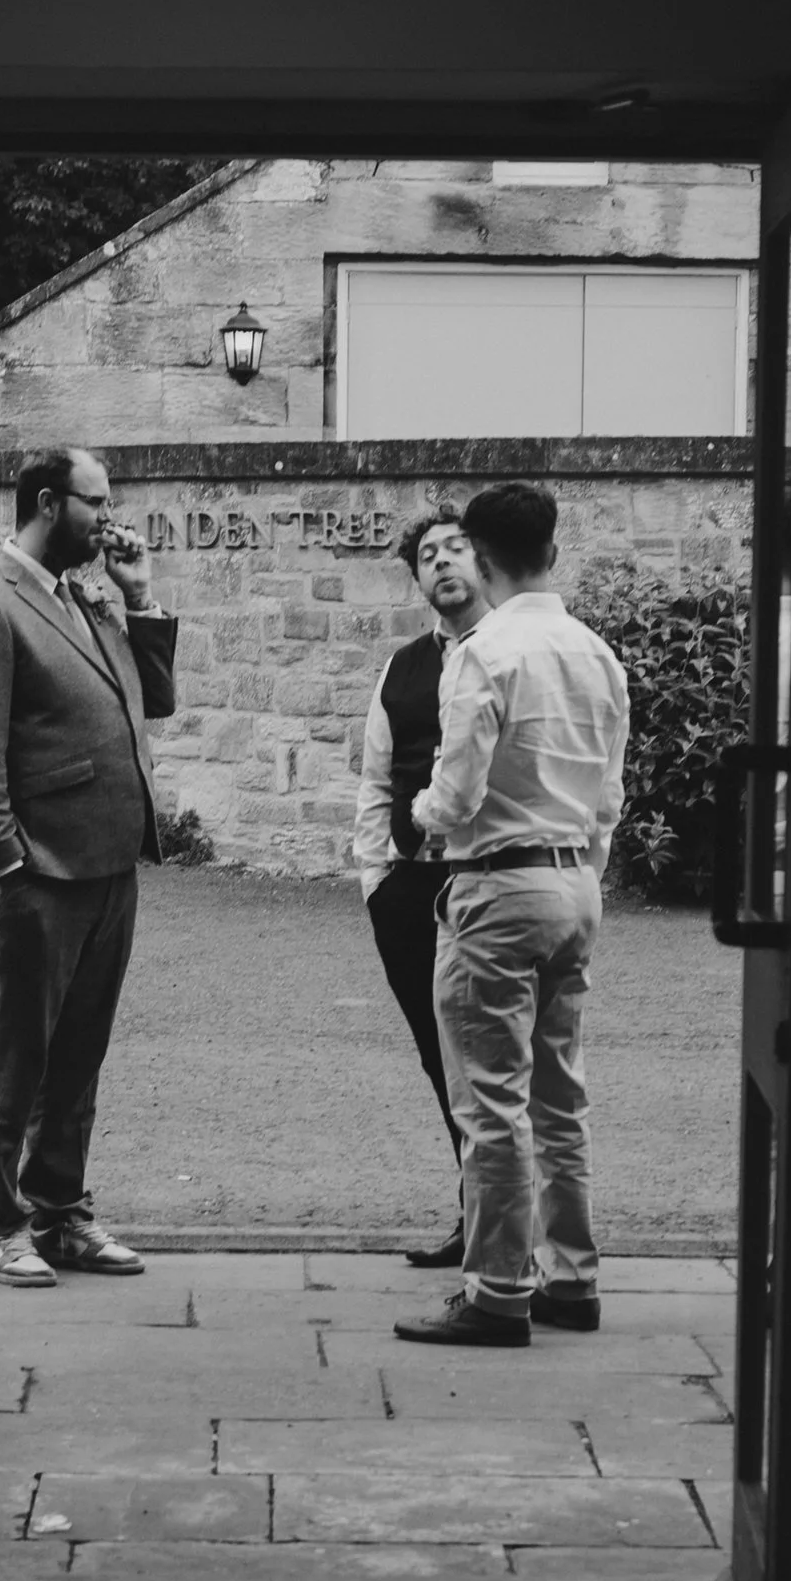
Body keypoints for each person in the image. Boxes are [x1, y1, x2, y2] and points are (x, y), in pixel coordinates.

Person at [395, 479, 631, 1350]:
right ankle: (573, 1279)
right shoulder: (596, 652)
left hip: (498, 886)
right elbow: (608, 797)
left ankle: (497, 1291)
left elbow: (454, 794)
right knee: (561, 1097)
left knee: (492, 1102)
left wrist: (418, 820)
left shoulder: (485, 652)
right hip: (576, 884)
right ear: (553, 554)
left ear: (484, 560)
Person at [0, 449, 180, 1285]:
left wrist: (140, 596)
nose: (110, 520)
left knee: (80, 1050)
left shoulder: (85, 597)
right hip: (38, 874)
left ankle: (62, 1213)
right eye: (97, 503)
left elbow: (155, 698)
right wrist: (8, 870)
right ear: (49, 502)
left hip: (111, 864)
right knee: (21, 1054)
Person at [351, 510, 490, 1267]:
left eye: (455, 549)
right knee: (441, 1058)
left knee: (496, 1061)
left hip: (486, 879)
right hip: (409, 887)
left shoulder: (508, 652)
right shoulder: (402, 665)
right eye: (427, 557)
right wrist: (377, 879)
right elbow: (377, 778)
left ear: (484, 560)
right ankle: (478, 1216)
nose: (441, 564)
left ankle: (507, 1230)